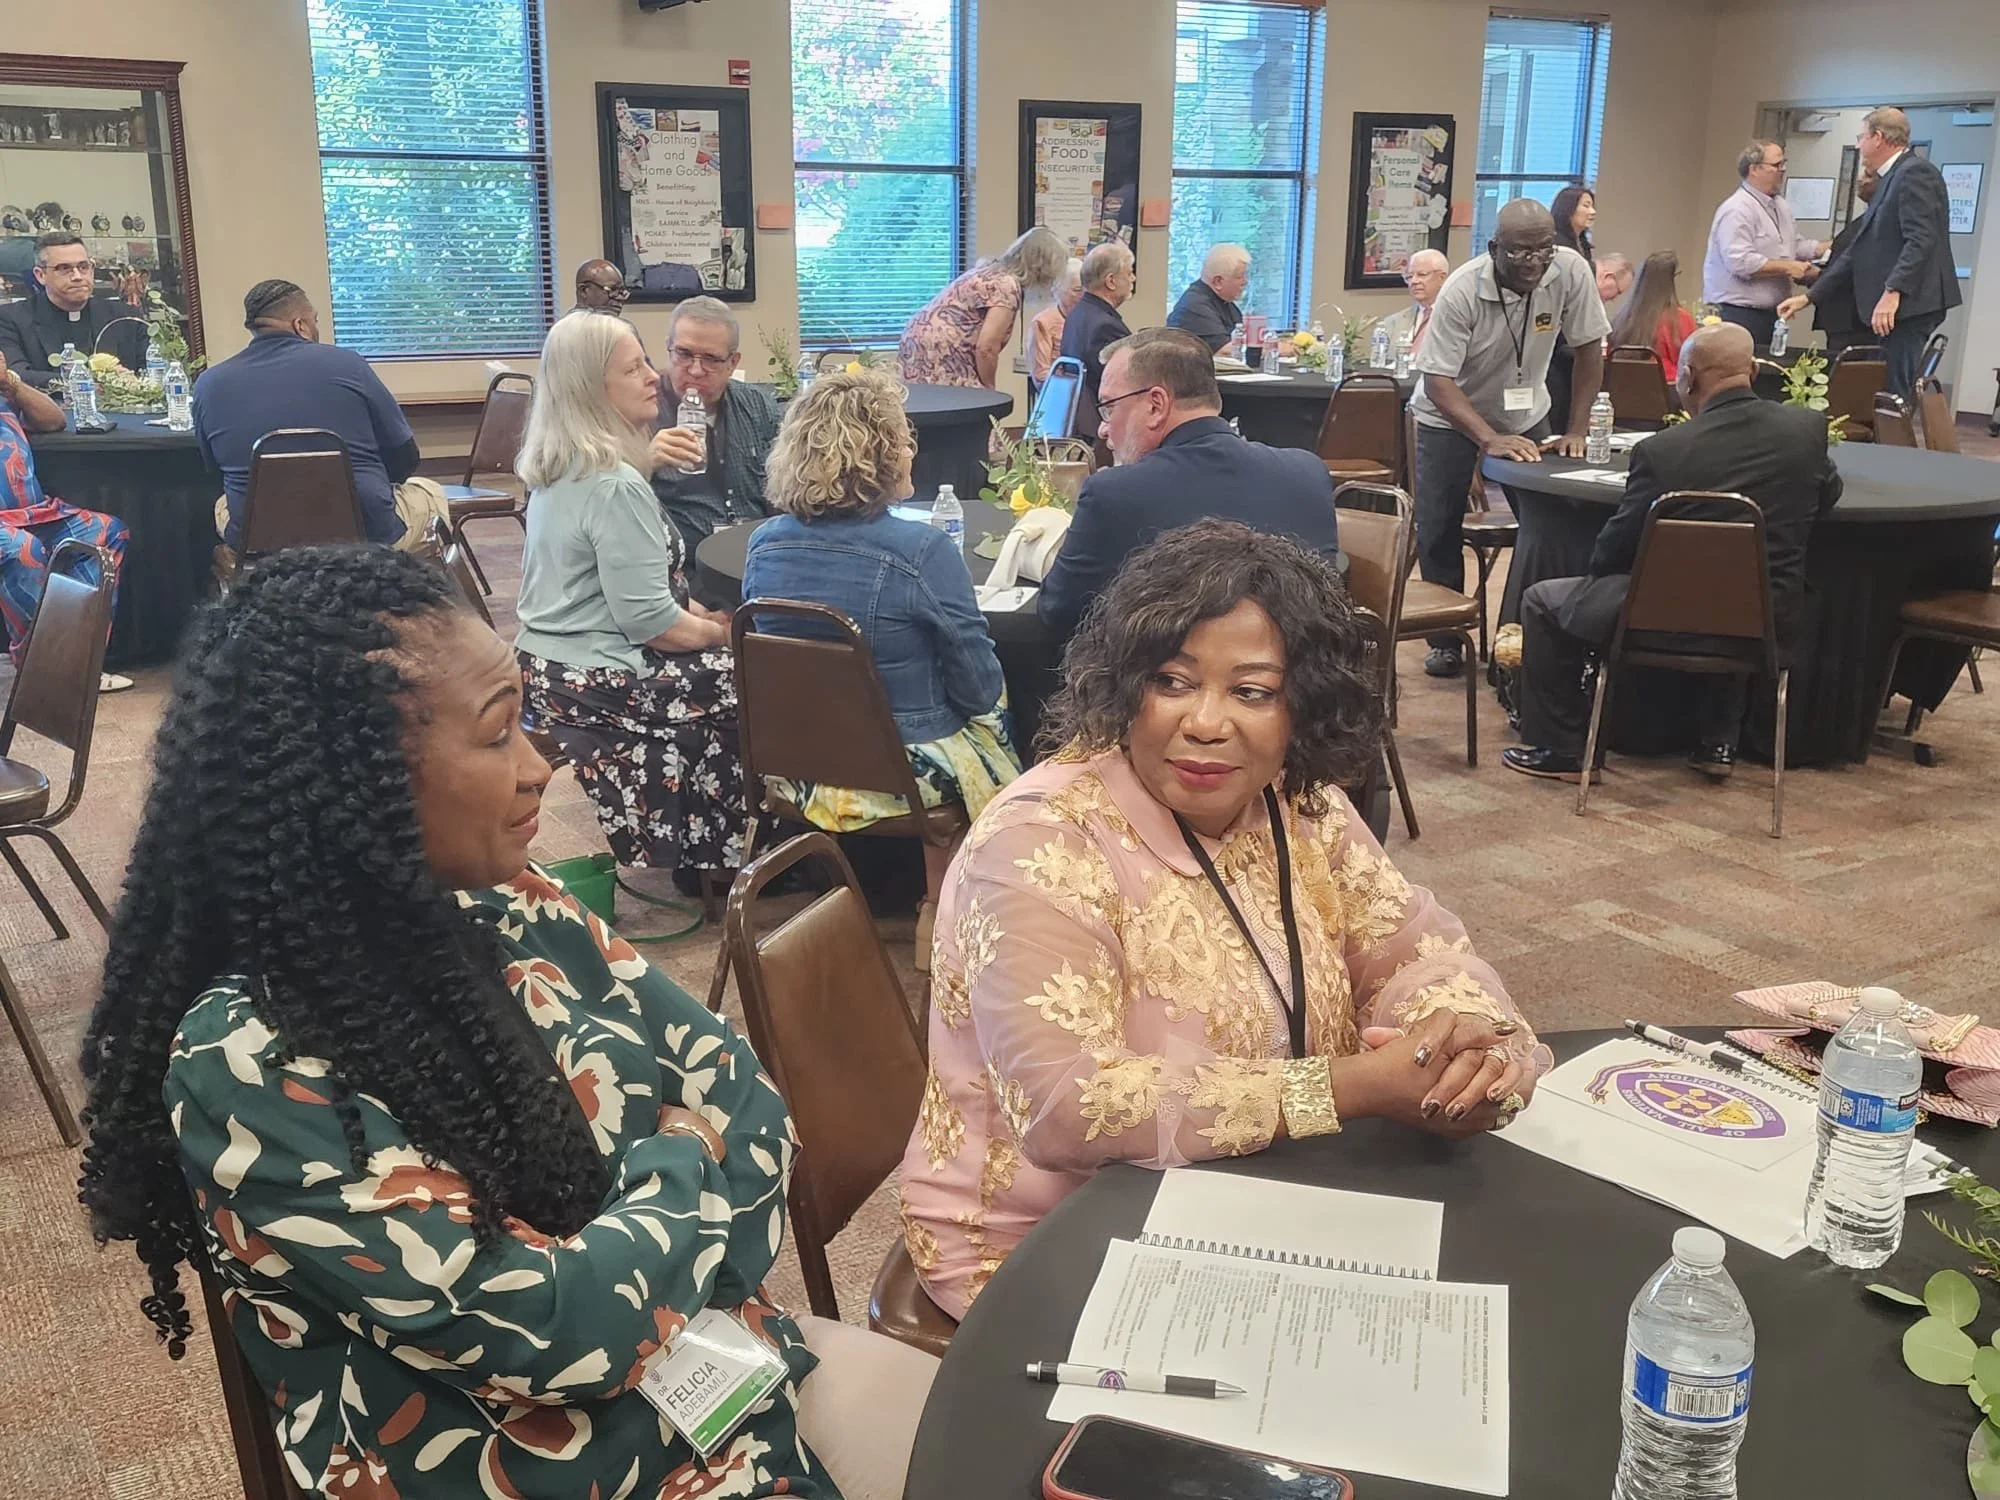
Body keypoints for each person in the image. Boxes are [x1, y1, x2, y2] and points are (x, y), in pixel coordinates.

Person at [76, 544, 939, 1500]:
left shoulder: (519, 907)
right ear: (351, 774)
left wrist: (639, 1270)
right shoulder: (248, 1063)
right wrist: (682, 1158)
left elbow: (756, 1116)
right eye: (497, 736)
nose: (540, 768)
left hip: (714, 1413)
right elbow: (558, 1334)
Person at [901, 520, 1548, 1318]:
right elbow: (1071, 1109)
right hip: (1050, 1236)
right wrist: (1351, 1089)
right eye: (1172, 681)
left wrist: (1461, 1044)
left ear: (1302, 708)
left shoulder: (1298, 806)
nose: (1206, 723)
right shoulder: (1041, 841)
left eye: (1251, 691)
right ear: (1124, 684)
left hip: (1254, 1188)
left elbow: (1415, 947)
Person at [743, 369, 1021, 966]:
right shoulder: (922, 551)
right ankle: (941, 908)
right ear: (882, 454)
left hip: (796, 765)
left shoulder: (764, 543)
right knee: (995, 716)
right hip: (901, 777)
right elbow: (977, 687)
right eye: (903, 438)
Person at [1503, 323, 1843, 784]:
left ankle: (1566, 751)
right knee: (1735, 588)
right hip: (1769, 618)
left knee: (1543, 600)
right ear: (1756, 370)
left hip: (1659, 619)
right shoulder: (1805, 429)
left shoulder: (1664, 451)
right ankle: (1717, 742)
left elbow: (1612, 551)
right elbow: (1826, 495)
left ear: (1686, 379)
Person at [514, 311, 745, 883]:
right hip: (594, 677)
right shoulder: (614, 485)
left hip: (549, 663)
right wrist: (726, 632)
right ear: (595, 389)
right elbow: (654, 624)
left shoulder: (563, 464)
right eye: (634, 367)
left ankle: (708, 842)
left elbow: (649, 592)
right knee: (759, 679)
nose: (654, 377)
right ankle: (717, 856)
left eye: (646, 360)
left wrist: (704, 618)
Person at [1411, 198, 1611, 679]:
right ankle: (1447, 642)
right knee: (1439, 528)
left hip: (1528, 412)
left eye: (1543, 249)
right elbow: (1439, 381)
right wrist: (1487, 439)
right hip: (1450, 415)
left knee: (1552, 520)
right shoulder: (1461, 289)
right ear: (1495, 247)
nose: (1533, 262)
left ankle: (1539, 636)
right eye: (1520, 252)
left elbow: (1589, 351)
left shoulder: (1570, 270)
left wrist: (1578, 428)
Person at [1038, 328, 1342, 642]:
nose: (1103, 428)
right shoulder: (1308, 473)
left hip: (1166, 683)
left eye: (1109, 407)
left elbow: (1059, 613)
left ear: (1156, 405)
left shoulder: (1115, 494)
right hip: (1294, 681)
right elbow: (1329, 603)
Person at [193, 279, 450, 557]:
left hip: (259, 541)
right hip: (367, 534)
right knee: (430, 491)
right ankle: (416, 591)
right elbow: (404, 455)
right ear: (300, 325)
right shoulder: (349, 365)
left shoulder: (209, 383)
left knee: (224, 502)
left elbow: (214, 470)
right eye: (315, 320)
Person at [1779, 107, 1960, 398]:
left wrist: (1893, 291)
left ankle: (1890, 445)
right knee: (1879, 390)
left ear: (1878, 137)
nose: (1858, 145)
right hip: (1899, 307)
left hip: (1910, 307)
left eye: (1861, 137)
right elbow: (1857, 251)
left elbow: (1921, 239)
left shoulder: (1915, 173)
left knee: (1891, 394)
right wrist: (1809, 297)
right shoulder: (1890, 178)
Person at [0, 347, 131, 691]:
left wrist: (10, 381)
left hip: (34, 513)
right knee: (22, 549)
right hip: (9, 527)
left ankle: (81, 666)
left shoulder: (3, 393)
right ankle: (41, 673)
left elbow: (54, 419)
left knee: (105, 533)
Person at [647, 295, 782, 558]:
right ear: (669, 349)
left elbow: (785, 493)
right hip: (683, 568)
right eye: (684, 354)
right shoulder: (644, 409)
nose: (696, 370)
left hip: (754, 558)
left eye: (710, 359)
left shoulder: (758, 406)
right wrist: (644, 463)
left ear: (733, 363)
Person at [898, 226, 1067, 389]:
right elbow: (986, 348)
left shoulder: (991, 270)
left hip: (917, 343)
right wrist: (990, 389)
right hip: (939, 352)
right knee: (973, 405)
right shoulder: (1006, 285)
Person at [1701, 141, 1826, 348]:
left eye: (1783, 163)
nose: (1783, 170)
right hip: (1738, 313)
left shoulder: (1780, 205)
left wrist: (1832, 247)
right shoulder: (1737, 209)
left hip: (1771, 313)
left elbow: (1793, 246)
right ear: (1755, 169)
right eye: (1777, 165)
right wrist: (1788, 267)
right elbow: (1740, 262)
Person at [0, 232, 147, 387]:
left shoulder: (125, 316)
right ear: (41, 275)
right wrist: (90, 381)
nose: (77, 276)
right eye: (64, 268)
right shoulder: (11, 319)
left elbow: (152, 371)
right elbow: (15, 375)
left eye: (83, 267)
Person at [1059, 241, 1137, 435]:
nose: (1133, 278)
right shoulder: (1105, 326)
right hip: (1103, 422)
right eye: (1129, 273)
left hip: (1080, 418)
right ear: (1111, 281)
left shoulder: (1078, 313)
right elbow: (1126, 383)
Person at [1804, 167, 1880, 358]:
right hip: (1841, 320)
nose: (1860, 180)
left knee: (1845, 379)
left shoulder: (1878, 223)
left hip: (1853, 322)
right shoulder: (1866, 219)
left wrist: (1817, 276)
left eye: (1868, 176)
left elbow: (1856, 268)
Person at [1544, 185, 1599, 439]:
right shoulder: (1556, 249)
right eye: (1585, 205)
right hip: (1556, 340)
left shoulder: (1584, 247)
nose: (1592, 212)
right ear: (1567, 210)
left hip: (1578, 336)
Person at [1610, 251, 1700, 382]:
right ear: (1672, 280)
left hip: (1621, 391)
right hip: (1668, 394)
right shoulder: (1680, 319)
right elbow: (1694, 362)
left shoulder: (1622, 318)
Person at [1165, 243, 1250, 353]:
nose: (1245, 281)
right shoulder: (1195, 306)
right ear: (1218, 281)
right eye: (1240, 277)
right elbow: (1225, 351)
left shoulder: (1226, 303)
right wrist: (1270, 346)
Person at [1029, 257, 1085, 395]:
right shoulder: (1043, 322)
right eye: (1077, 290)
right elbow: (1041, 375)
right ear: (1059, 290)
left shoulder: (1089, 319)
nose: (1083, 297)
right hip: (1058, 396)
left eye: (1086, 291)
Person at [1380, 248, 1450, 355]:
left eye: (1422, 274)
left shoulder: (1457, 319)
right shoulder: (1392, 323)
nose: (1414, 281)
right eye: (1409, 276)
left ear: (1442, 277)